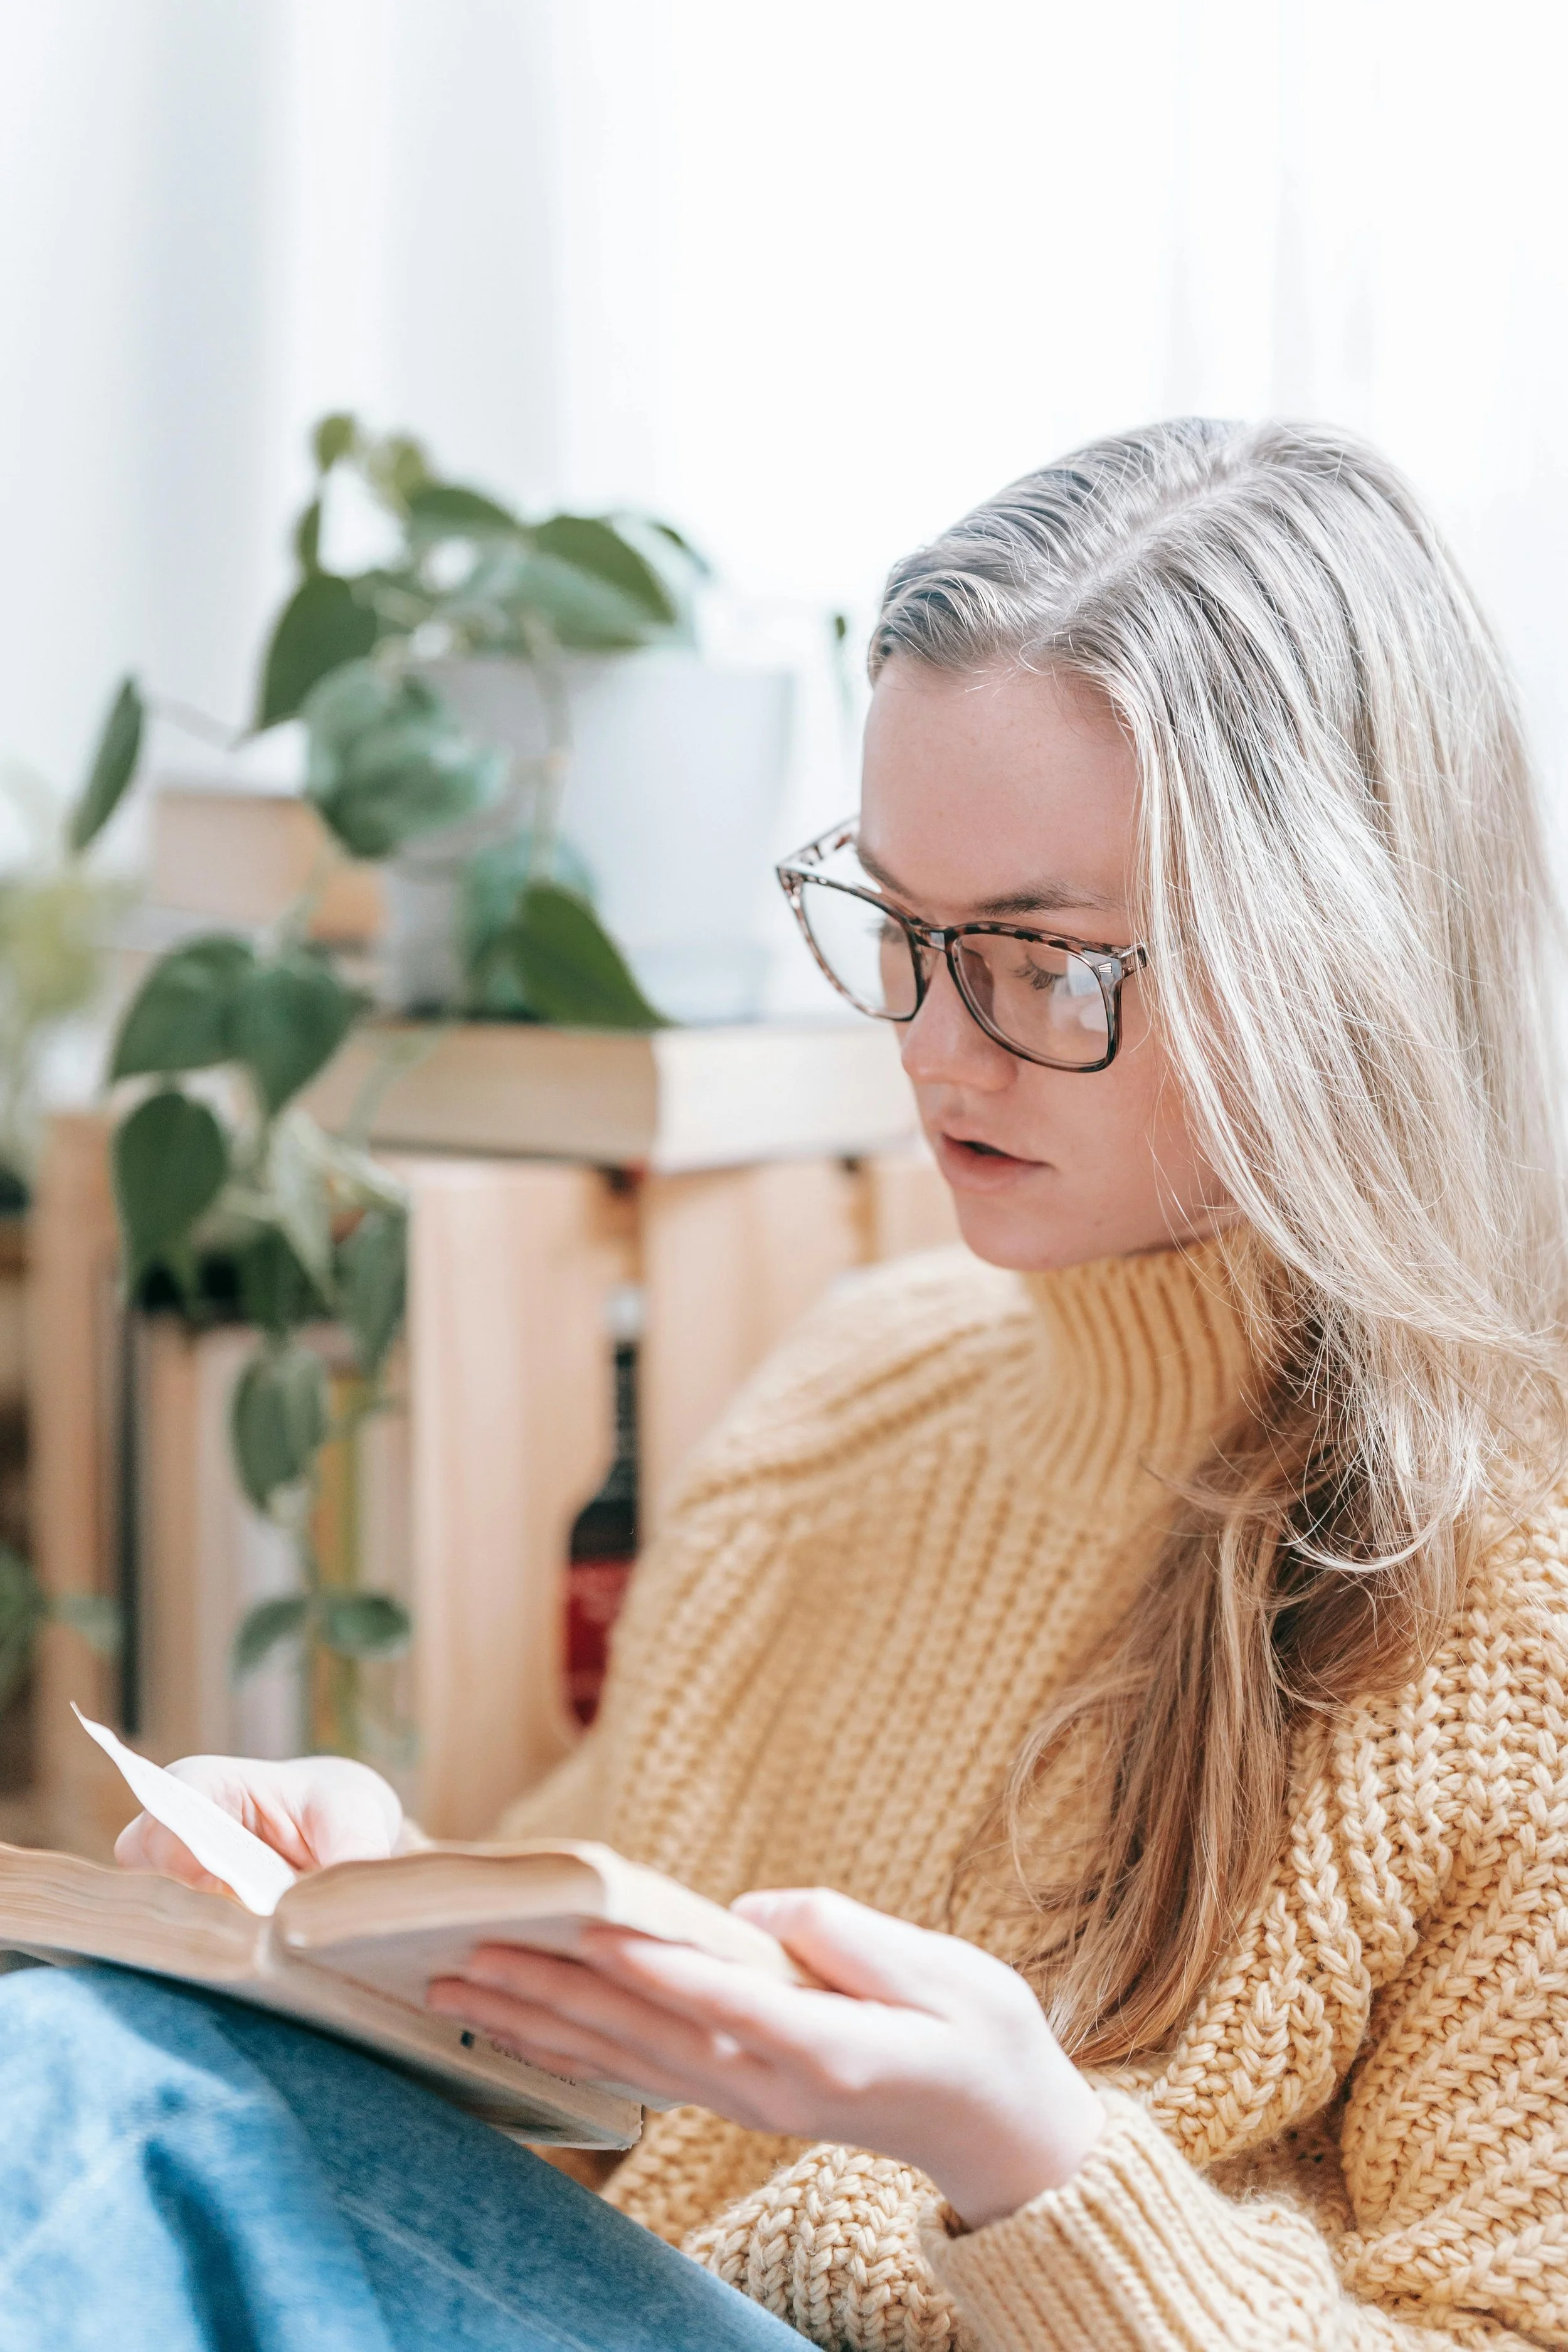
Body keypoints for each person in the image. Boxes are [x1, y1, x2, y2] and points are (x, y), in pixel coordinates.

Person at [6, 416, 1568, 2351]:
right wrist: (380, 1913)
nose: (935, 1046)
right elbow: (611, 2093)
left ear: (1341, 960)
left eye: (1047, 964)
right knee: (99, 2053)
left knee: (86, 2111)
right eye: (895, 926)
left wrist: (1027, 2158)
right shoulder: (850, 1400)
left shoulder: (1508, 1611)